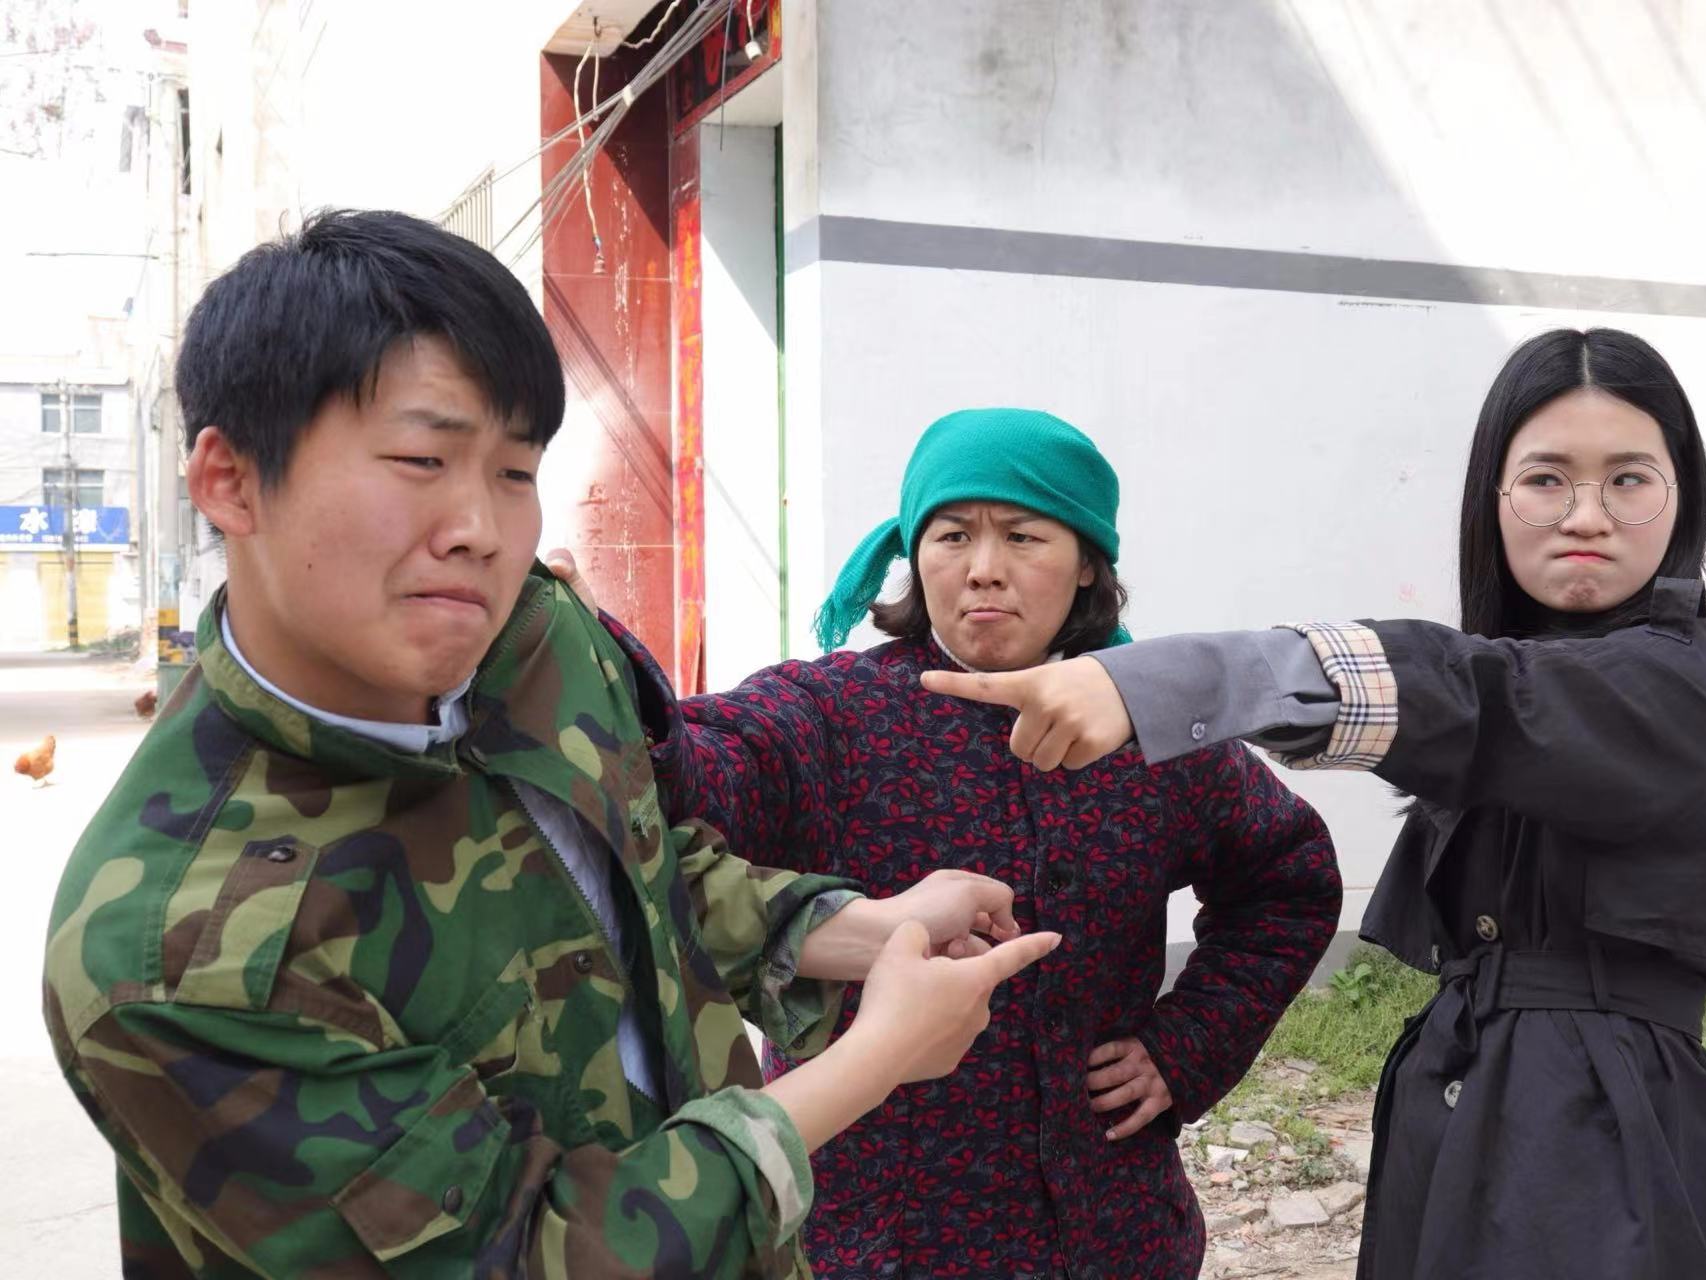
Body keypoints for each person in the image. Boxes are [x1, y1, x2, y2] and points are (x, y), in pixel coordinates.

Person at [40, 210, 1057, 1280]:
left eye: (516, 471)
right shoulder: (179, 953)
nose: (480, 525)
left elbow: (640, 867)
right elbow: (515, 1255)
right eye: (421, 458)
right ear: (231, 480)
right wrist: (876, 1057)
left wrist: (851, 927)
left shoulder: (537, 638)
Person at [926, 331, 1706, 1280]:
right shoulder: (839, 705)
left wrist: (1181, 682)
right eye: (1544, 479)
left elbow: (1487, 702)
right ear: (1494, 497)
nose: (1586, 514)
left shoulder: (1688, 675)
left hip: (1600, 1128)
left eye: (1629, 479)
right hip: (1465, 1101)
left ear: (1682, 492)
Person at [555, 407, 1341, 1280]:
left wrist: (1185, 1046)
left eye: (1025, 536)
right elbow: (698, 768)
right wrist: (600, 676)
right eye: (952, 534)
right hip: (875, 1236)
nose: (983, 570)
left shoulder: (1149, 731)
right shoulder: (836, 716)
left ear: (1087, 563)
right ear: (912, 553)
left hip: (1108, 1231)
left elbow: (1289, 877)